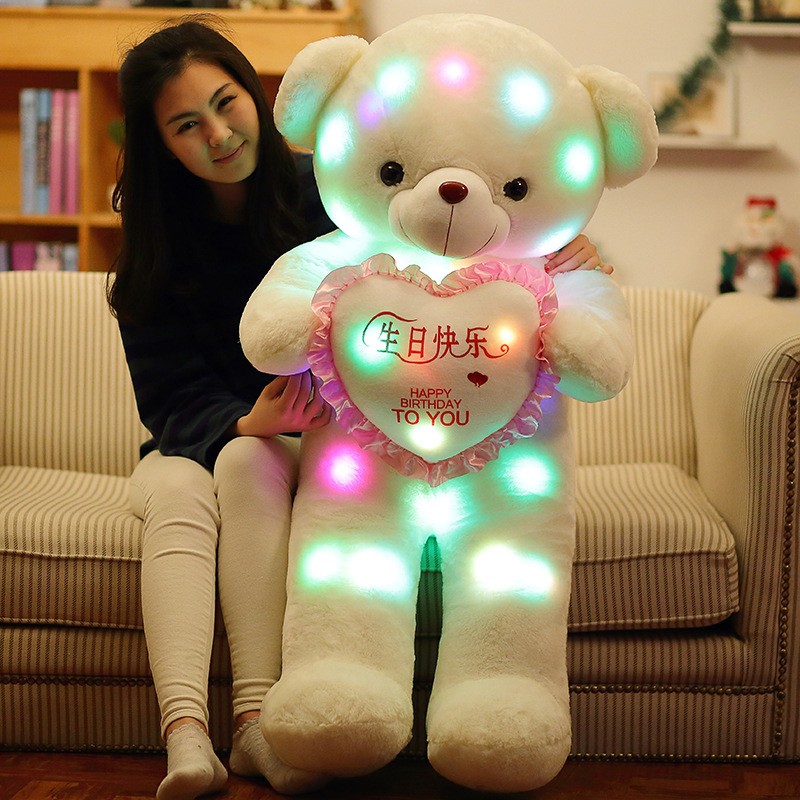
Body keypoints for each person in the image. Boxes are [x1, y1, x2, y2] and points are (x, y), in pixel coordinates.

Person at [105, 15, 611, 800]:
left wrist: (564, 256)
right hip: (212, 438)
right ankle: (188, 736)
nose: (218, 134)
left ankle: (254, 722)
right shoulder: (153, 246)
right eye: (186, 124)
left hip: (323, 440)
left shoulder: (337, 188)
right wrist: (244, 421)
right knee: (191, 482)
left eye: (226, 102)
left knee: (246, 464)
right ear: (162, 145)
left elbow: (448, 260)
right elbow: (167, 397)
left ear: (255, 95)